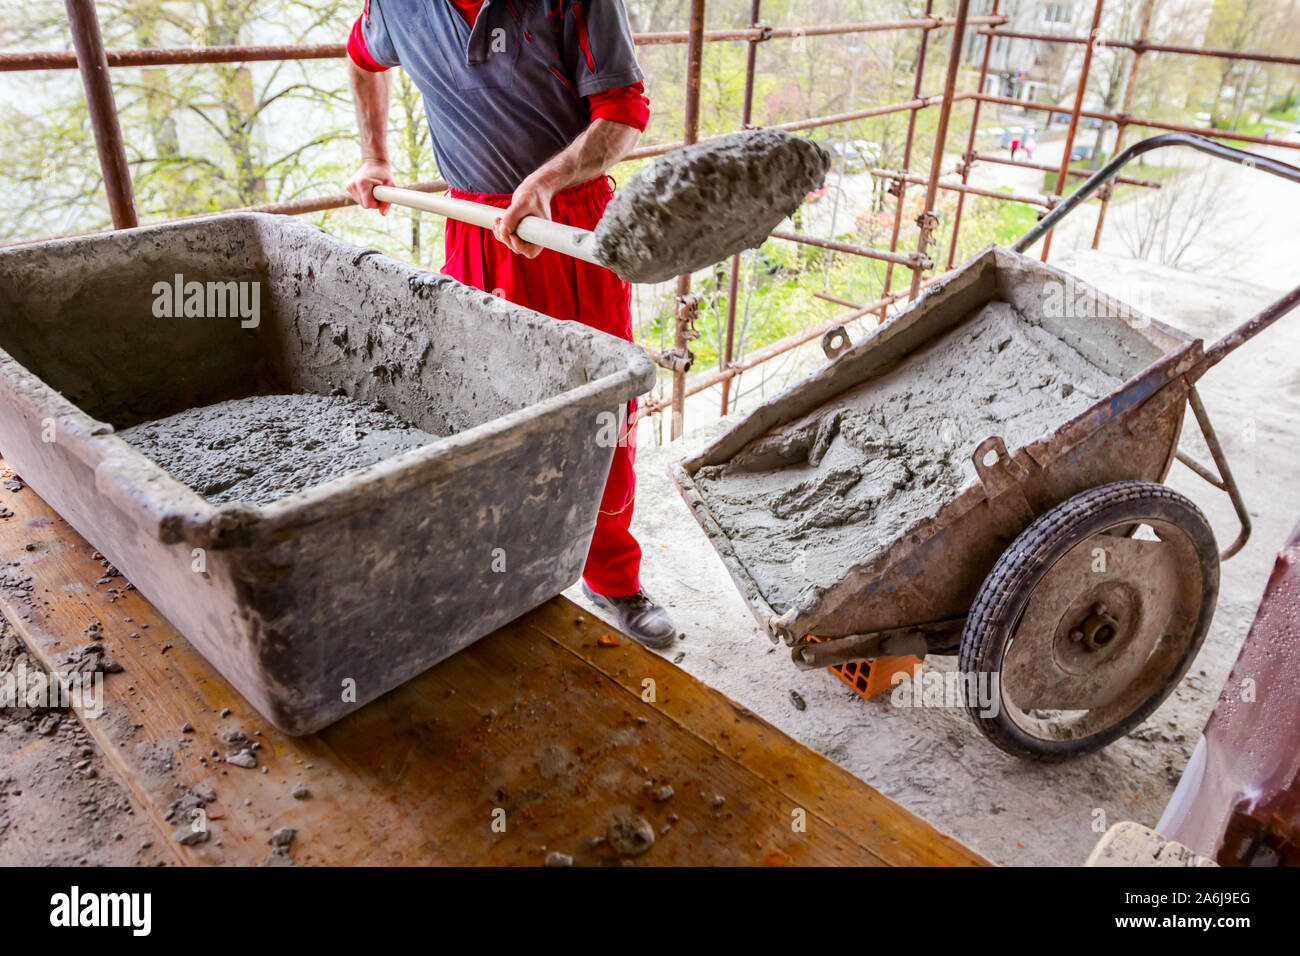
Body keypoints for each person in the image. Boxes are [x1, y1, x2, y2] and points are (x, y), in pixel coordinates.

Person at [343, 0, 676, 649]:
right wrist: (374, 157)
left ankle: (611, 577)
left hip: (569, 224)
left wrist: (551, 180)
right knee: (485, 410)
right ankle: (508, 569)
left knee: (601, 409)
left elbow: (623, 110)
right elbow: (362, 57)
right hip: (472, 227)